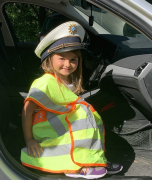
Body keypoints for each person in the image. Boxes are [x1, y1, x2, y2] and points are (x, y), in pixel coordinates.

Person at [21, 21, 122, 179]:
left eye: (73, 60)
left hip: (60, 124)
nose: (68, 64)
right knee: (82, 115)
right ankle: (77, 164)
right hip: (47, 128)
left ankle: (94, 159)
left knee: (88, 114)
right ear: (49, 58)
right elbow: (27, 111)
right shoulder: (44, 82)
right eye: (62, 58)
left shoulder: (69, 81)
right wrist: (29, 140)